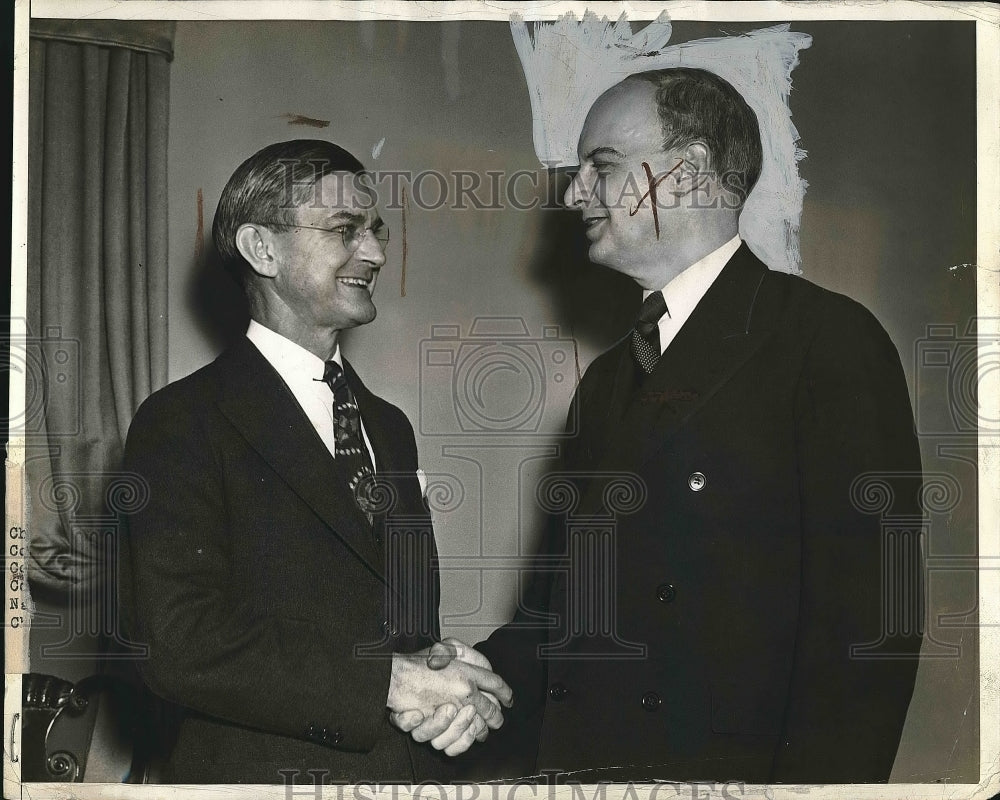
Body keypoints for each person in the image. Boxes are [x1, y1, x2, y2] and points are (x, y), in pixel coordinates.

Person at [398, 68, 924, 783]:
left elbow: (869, 638)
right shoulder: (609, 379)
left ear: (688, 174)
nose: (576, 192)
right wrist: (476, 673)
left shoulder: (824, 341)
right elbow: (561, 619)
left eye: (602, 167)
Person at [120, 139, 511, 784]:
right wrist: (388, 684)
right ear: (261, 249)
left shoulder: (389, 426)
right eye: (344, 229)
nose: (377, 253)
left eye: (376, 231)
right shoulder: (181, 421)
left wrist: (436, 672)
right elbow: (179, 644)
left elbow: (400, 624)